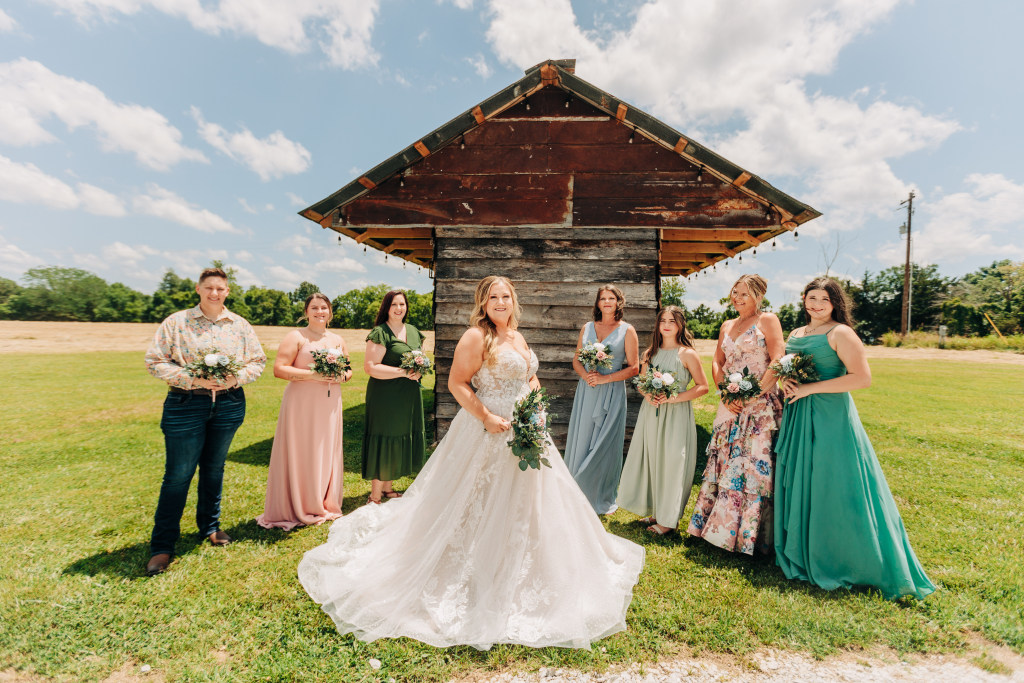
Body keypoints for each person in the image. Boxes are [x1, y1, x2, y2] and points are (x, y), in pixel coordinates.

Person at [298, 276, 644, 650]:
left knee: (534, 502)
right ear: (483, 302)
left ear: (514, 301)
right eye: (493, 296)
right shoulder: (477, 336)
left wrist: (537, 405)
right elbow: (457, 383)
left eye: (505, 296)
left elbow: (529, 375)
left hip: (526, 427)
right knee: (476, 498)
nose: (500, 302)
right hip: (487, 428)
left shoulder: (516, 334)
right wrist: (485, 417)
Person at [773, 278, 936, 599]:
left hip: (831, 417)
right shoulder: (796, 334)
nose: (816, 304)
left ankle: (847, 557)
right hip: (797, 415)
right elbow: (786, 371)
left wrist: (809, 388)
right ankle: (804, 548)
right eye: (811, 298)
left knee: (834, 483)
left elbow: (862, 379)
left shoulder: (841, 333)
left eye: (823, 299)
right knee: (802, 478)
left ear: (835, 303)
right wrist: (787, 383)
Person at [143, 267, 266, 576]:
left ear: (227, 292)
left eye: (220, 288)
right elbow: (155, 361)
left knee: (214, 468)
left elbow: (258, 361)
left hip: (229, 405)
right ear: (198, 289)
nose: (215, 293)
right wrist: (191, 377)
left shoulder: (239, 325)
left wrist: (235, 377)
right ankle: (162, 546)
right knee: (178, 475)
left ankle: (210, 526)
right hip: (185, 404)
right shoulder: (177, 322)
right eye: (209, 287)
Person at [687, 274, 784, 554]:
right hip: (730, 404)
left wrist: (754, 393)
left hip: (759, 405)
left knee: (753, 468)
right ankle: (717, 530)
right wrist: (726, 393)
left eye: (745, 293)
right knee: (726, 462)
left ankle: (747, 538)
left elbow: (778, 358)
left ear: (758, 296)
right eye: (735, 292)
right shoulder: (727, 325)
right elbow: (718, 361)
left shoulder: (768, 320)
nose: (738, 298)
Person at [256, 293, 352, 531]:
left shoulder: (338, 339)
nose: (320, 312)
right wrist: (313, 375)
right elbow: (279, 369)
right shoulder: (296, 336)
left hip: (329, 403)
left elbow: (348, 370)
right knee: (302, 449)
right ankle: (297, 504)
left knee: (325, 449)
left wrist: (341, 375)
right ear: (306, 312)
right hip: (302, 403)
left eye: (324, 308)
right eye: (314, 308)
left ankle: (322, 501)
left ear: (330, 312)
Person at [617, 306, 709, 535]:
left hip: (676, 414)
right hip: (652, 413)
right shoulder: (650, 353)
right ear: (658, 325)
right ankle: (658, 512)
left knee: (672, 463)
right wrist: (648, 394)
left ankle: (669, 521)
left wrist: (673, 398)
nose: (667, 325)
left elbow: (703, 386)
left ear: (681, 325)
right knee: (653, 460)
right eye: (663, 320)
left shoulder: (687, 354)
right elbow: (641, 381)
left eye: (673, 320)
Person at [564, 285, 640, 515]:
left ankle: (597, 493)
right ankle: (573, 490)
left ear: (618, 302)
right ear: (597, 303)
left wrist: (606, 379)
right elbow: (576, 360)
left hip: (611, 391)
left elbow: (635, 368)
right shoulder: (587, 328)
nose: (607, 302)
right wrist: (585, 375)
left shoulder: (627, 330)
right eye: (602, 298)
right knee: (583, 437)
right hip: (587, 390)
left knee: (603, 441)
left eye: (611, 298)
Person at [361, 290, 427, 505]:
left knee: (400, 435)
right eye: (394, 305)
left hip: (409, 394)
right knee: (385, 437)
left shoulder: (414, 332)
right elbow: (371, 367)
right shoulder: (380, 332)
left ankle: (388, 489)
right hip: (385, 396)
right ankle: (375, 495)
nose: (399, 308)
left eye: (402, 304)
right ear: (386, 308)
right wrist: (403, 373)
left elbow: (421, 359)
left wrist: (419, 371)